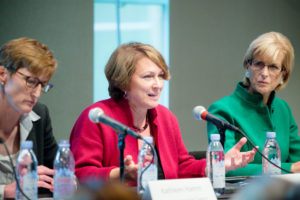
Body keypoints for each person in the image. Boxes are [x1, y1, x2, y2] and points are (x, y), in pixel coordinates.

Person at [70, 42, 256, 184]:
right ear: (122, 81)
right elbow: (79, 174)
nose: (158, 85)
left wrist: (217, 165)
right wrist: (120, 173)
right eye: (148, 76)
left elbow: (181, 166)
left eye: (160, 76)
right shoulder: (98, 118)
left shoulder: (165, 117)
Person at [207, 32, 300, 176]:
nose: (264, 73)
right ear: (247, 66)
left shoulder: (283, 109)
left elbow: (297, 161)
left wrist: (293, 167)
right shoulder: (222, 109)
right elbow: (226, 168)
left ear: (284, 74)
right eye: (258, 64)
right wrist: (289, 168)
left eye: (273, 67)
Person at [0, 37, 58, 199]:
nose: (37, 93)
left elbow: (54, 169)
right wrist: (5, 191)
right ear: (3, 74)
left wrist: (64, 180)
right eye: (31, 81)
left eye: (43, 85)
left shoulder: (40, 115)